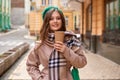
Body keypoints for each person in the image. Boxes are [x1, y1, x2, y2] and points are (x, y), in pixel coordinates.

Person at [26, 6, 87, 80]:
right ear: (47, 22)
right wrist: (39, 78)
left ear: (62, 21)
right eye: (51, 19)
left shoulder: (71, 40)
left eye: (58, 18)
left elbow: (82, 63)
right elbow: (31, 65)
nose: (55, 21)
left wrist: (66, 51)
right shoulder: (41, 44)